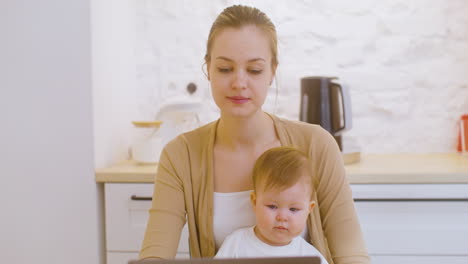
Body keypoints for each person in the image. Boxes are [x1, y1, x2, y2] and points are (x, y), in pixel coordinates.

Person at [139, 4, 370, 264]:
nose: (239, 83)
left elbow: (352, 253)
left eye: (254, 70)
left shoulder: (317, 145)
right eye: (225, 69)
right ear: (208, 69)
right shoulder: (180, 155)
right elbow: (154, 256)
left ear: (272, 71)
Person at [214, 146, 328, 264]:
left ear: (309, 209)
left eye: (293, 209)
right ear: (254, 202)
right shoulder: (236, 244)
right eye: (272, 206)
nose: (282, 217)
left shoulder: (310, 257)